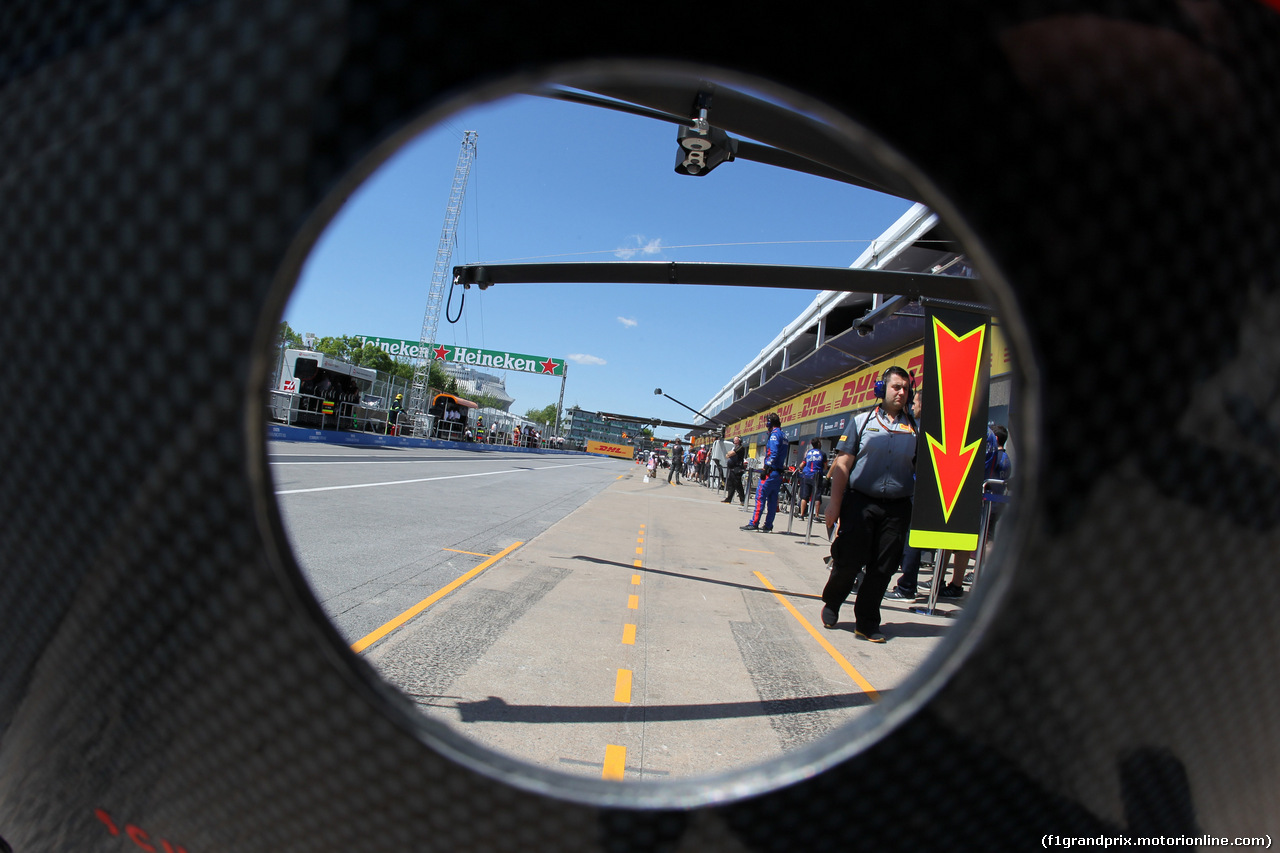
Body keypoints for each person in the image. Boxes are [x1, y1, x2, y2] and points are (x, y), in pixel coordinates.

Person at [820, 366, 918, 642]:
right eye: (896, 386)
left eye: (906, 388)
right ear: (881, 389)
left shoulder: (914, 428)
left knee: (883, 567)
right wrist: (834, 505)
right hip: (860, 502)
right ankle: (833, 600)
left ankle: (867, 620)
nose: (901, 392)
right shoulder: (861, 421)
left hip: (897, 507)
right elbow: (843, 464)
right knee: (849, 560)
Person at [742, 413, 788, 532]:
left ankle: (754, 522)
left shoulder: (774, 435)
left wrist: (767, 467)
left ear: (770, 423)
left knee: (760, 497)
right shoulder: (784, 435)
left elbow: (773, 453)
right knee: (772, 501)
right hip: (778, 473)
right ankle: (768, 525)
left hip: (770, 472)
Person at [798, 438, 827, 519]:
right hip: (816, 476)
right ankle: (816, 516)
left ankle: (801, 515)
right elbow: (825, 467)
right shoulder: (822, 454)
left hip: (806, 475)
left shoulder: (808, 453)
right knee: (817, 496)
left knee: (804, 496)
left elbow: (801, 465)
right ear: (818, 444)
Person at [721, 436, 747, 505]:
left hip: (737, 468)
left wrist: (729, 454)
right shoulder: (734, 447)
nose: (734, 441)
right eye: (734, 440)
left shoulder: (740, 447)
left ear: (739, 440)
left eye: (736, 440)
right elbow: (728, 455)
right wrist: (729, 454)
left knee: (738, 484)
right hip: (732, 468)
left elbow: (731, 453)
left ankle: (743, 500)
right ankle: (728, 499)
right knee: (731, 484)